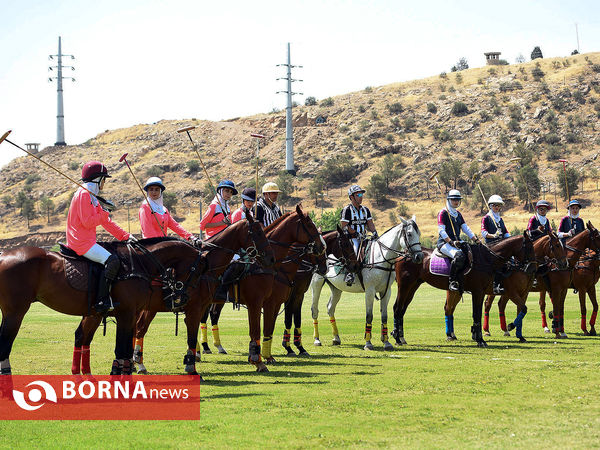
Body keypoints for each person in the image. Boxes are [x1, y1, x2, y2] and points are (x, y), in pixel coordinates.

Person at [66, 161, 133, 313]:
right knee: (113, 260)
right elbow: (88, 222)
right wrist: (104, 212)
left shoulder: (91, 196)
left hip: (87, 240)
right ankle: (101, 301)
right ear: (98, 179)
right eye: (104, 179)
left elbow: (106, 223)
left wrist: (125, 236)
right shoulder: (84, 194)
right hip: (81, 242)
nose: (104, 183)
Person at [437, 189, 481, 292]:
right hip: (444, 243)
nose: (456, 202)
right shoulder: (443, 213)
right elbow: (441, 230)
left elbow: (466, 229)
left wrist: (475, 239)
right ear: (449, 200)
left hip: (457, 242)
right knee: (459, 256)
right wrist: (450, 241)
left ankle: (467, 280)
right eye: (454, 199)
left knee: (473, 253)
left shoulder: (458, 214)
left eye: (458, 199)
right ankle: (452, 281)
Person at [139, 176, 199, 244]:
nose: (154, 192)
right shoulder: (145, 207)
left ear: (161, 191)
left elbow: (174, 225)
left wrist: (190, 237)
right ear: (147, 191)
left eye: (156, 189)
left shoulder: (164, 209)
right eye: (151, 189)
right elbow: (148, 231)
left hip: (163, 244)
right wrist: (159, 244)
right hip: (152, 246)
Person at [340, 185, 378, 285]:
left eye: (362, 194)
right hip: (352, 239)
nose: (361, 197)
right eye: (358, 194)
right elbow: (344, 226)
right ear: (352, 197)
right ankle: (350, 274)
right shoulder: (347, 210)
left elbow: (370, 223)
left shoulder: (365, 210)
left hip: (364, 238)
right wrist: (356, 233)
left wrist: (374, 232)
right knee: (355, 249)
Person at [481, 194, 511, 294]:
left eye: (498, 205)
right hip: (491, 245)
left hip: (502, 245)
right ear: (490, 206)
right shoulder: (486, 218)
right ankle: (495, 285)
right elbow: (483, 233)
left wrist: (511, 239)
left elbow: (505, 232)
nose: (497, 207)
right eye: (494, 205)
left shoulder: (500, 219)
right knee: (498, 263)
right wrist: (493, 235)